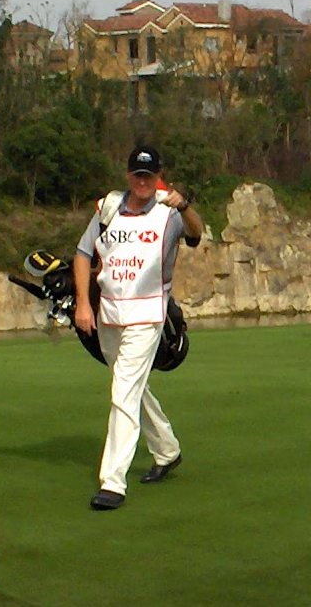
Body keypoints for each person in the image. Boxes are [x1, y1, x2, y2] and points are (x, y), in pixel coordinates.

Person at [73, 144, 204, 511]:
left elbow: (196, 234)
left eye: (149, 175)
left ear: (157, 176)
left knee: (123, 394)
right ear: (129, 175)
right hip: (109, 314)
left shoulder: (169, 211)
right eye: (137, 175)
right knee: (130, 387)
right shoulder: (110, 208)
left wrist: (185, 205)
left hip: (147, 315)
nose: (143, 182)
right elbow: (83, 255)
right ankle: (167, 449)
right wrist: (84, 303)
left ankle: (113, 481)